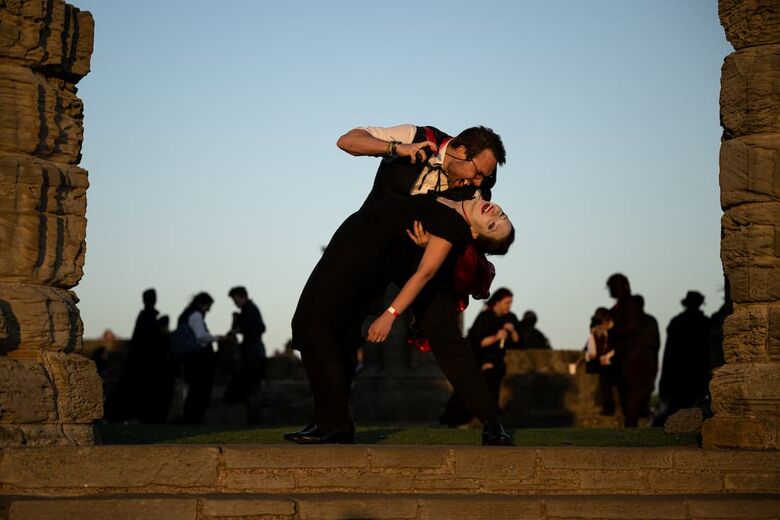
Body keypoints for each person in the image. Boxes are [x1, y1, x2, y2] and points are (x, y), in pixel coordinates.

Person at [287, 123, 515, 446]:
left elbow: (466, 237)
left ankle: (492, 423)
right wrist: (395, 149)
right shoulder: (416, 137)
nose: (480, 182)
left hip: (418, 261)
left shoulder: (477, 192)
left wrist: (427, 249)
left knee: (446, 336)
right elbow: (347, 141)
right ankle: (332, 422)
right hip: (366, 240)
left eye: (486, 177)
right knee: (314, 324)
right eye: (478, 172)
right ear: (461, 150)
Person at [440, 288, 521, 427]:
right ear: (497, 302)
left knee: (490, 377)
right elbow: (478, 342)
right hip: (480, 358)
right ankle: (458, 418)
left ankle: (490, 415)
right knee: (473, 383)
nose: (509, 306)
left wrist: (512, 330)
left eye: (510, 303)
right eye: (507, 302)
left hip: (496, 360)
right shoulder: (485, 317)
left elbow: (518, 342)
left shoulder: (510, 318)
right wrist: (496, 337)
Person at [605, 273, 652, 427]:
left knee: (632, 393)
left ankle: (631, 425)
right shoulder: (620, 307)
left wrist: (612, 331)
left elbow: (633, 328)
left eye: (613, 286)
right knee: (625, 393)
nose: (611, 290)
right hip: (624, 355)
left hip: (633, 355)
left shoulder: (630, 305)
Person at [658, 291, 712, 420]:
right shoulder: (704, 323)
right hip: (692, 373)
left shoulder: (678, 322)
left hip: (682, 374)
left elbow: (668, 355)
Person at [177, 292, 219, 424]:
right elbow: (201, 336)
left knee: (193, 390)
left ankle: (190, 418)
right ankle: (194, 418)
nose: (208, 310)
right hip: (199, 359)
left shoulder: (186, 315)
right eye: (208, 306)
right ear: (201, 304)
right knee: (200, 390)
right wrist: (216, 338)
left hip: (190, 358)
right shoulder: (196, 315)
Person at [224, 286, 267, 405]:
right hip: (252, 351)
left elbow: (259, 328)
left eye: (235, 300)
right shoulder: (248, 310)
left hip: (253, 353)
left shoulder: (250, 310)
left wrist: (239, 328)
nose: (235, 303)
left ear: (242, 297)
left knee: (250, 386)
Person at [584, 307, 617, 415]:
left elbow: (616, 349)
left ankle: (608, 407)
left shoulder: (615, 333)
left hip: (613, 363)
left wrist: (606, 358)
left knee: (606, 375)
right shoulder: (595, 334)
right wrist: (591, 355)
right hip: (601, 363)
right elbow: (591, 350)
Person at [633, 294, 660, 420]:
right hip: (641, 361)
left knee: (645, 389)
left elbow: (655, 343)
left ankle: (641, 414)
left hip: (646, 361)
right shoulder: (648, 321)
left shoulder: (647, 321)